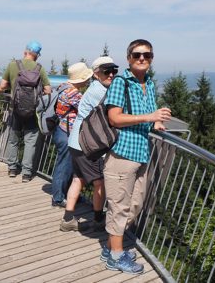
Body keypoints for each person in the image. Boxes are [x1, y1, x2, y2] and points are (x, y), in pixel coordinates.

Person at [103, 39, 171, 274]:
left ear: (151, 58)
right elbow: (115, 118)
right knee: (119, 207)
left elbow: (150, 115)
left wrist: (158, 122)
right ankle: (114, 256)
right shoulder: (121, 83)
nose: (142, 58)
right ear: (129, 58)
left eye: (147, 55)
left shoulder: (149, 84)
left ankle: (112, 245)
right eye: (137, 55)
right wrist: (149, 117)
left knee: (136, 203)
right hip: (122, 154)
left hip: (141, 153)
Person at [59, 57, 118, 232]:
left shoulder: (94, 88)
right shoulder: (101, 92)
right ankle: (99, 219)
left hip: (76, 142)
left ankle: (68, 218)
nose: (111, 74)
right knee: (99, 182)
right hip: (89, 146)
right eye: (107, 71)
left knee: (78, 179)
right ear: (96, 73)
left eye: (114, 70)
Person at [0, 41, 51, 182]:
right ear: (37, 55)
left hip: (15, 109)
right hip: (33, 111)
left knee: (13, 140)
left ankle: (12, 168)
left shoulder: (13, 65)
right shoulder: (39, 68)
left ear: (25, 51)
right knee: (30, 142)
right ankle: (27, 173)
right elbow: (48, 90)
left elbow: (2, 85)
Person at [51, 62, 92, 208]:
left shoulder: (63, 87)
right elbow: (88, 109)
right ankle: (58, 197)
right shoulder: (73, 93)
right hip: (67, 133)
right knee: (64, 165)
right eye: (86, 78)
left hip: (60, 130)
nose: (88, 81)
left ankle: (66, 193)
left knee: (68, 164)